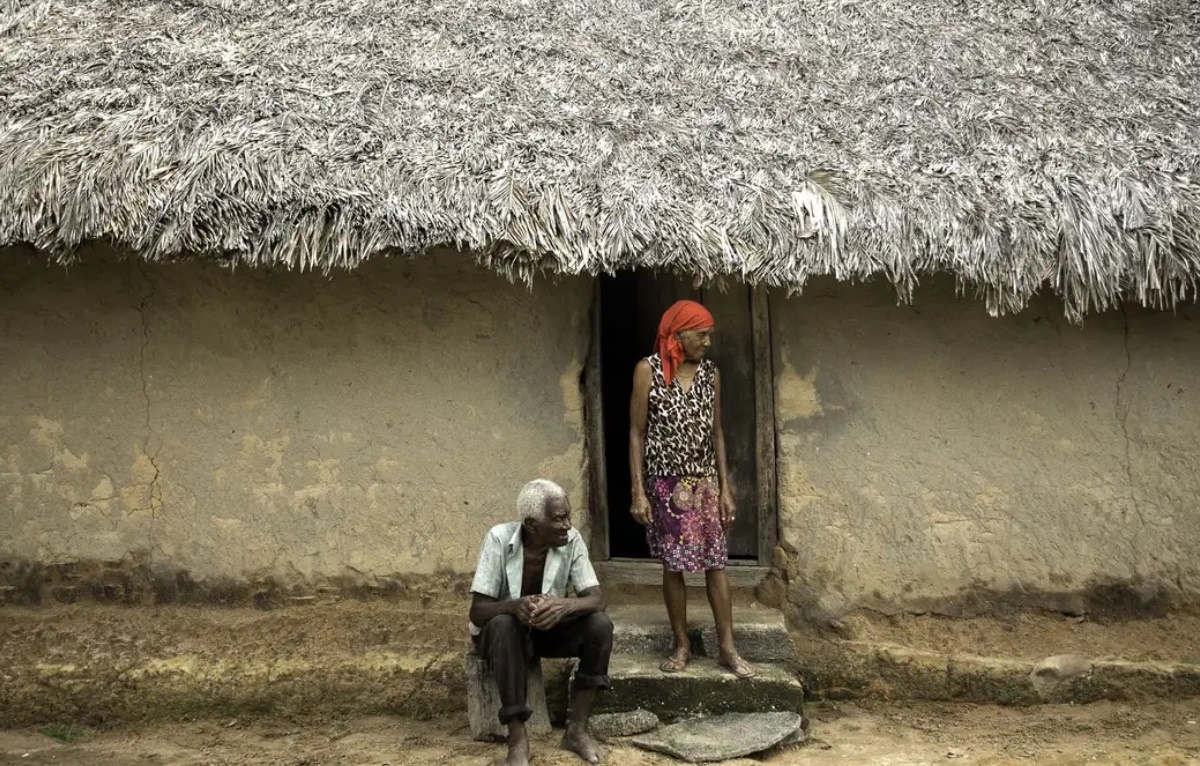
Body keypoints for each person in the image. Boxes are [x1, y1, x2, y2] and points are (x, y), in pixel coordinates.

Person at [628, 299, 757, 679]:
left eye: (709, 335)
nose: (707, 342)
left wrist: (725, 488)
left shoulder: (710, 373)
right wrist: (637, 491)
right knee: (674, 566)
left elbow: (717, 432)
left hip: (704, 484)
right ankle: (681, 645)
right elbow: (636, 433)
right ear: (678, 334)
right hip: (665, 484)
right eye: (701, 334)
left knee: (716, 564)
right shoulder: (647, 371)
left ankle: (727, 648)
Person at [469, 479, 612, 766]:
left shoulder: (571, 540)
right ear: (532, 525)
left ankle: (577, 730)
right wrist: (514, 606)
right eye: (558, 519)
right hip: (502, 637)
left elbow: (597, 599)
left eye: (567, 516)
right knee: (504, 624)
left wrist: (565, 605)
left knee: (599, 625)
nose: (567, 525)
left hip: (547, 632)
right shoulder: (499, 539)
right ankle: (518, 739)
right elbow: (478, 611)